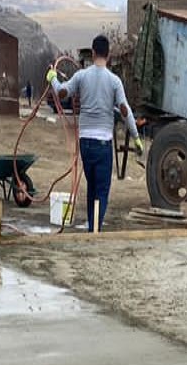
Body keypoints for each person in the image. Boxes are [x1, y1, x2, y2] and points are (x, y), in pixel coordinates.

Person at [48, 35, 142, 231]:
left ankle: (93, 226)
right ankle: (95, 229)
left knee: (92, 187)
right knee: (102, 190)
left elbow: (62, 93)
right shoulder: (114, 81)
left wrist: (53, 79)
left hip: (85, 143)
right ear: (109, 55)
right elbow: (125, 110)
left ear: (92, 53)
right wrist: (136, 137)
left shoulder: (82, 76)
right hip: (103, 144)